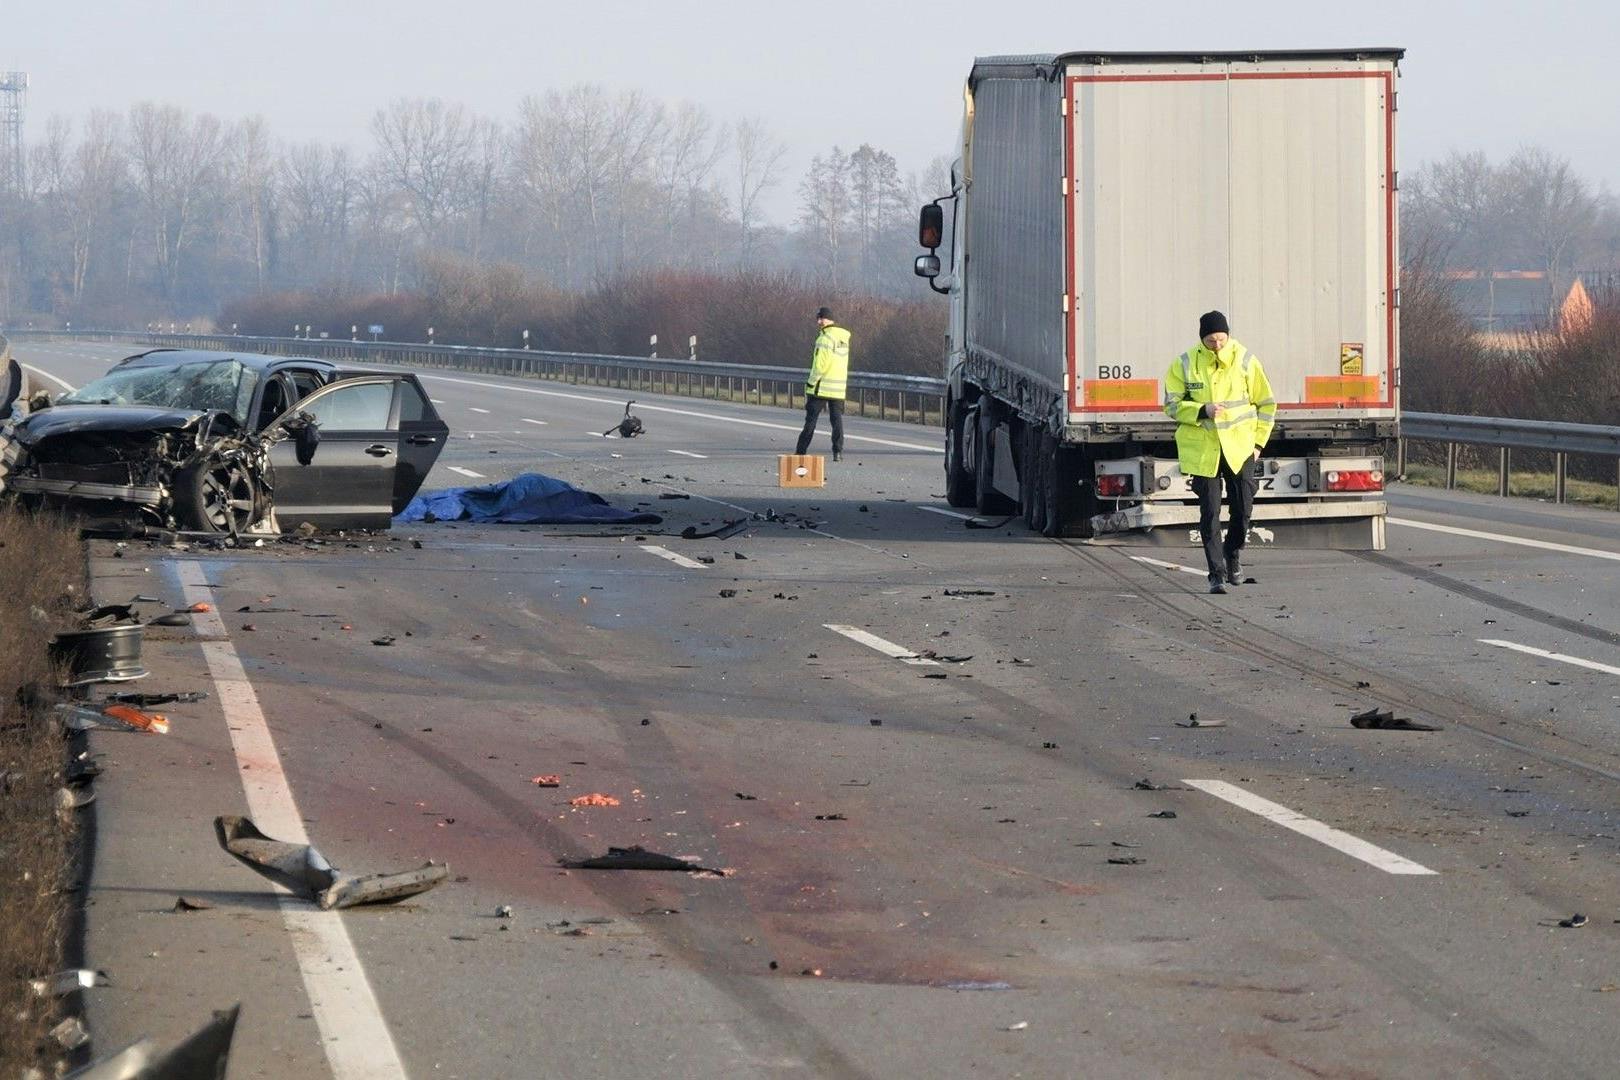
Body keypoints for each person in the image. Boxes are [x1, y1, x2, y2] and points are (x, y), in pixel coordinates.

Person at [1163, 310, 1276, 594]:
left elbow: (1266, 405)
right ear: (1202, 339)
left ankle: (1232, 553)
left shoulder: (1245, 360)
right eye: (1211, 341)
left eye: (1222, 339)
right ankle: (1216, 574)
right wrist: (1202, 410)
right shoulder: (1185, 363)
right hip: (1204, 453)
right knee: (1210, 513)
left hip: (1239, 450)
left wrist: (1259, 444)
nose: (1217, 346)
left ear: (1228, 335)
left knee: (1243, 511)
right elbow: (1171, 405)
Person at [795, 306, 850, 461]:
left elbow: (820, 365)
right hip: (838, 388)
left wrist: (811, 383)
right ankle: (837, 452)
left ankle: (800, 452)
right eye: (818, 318)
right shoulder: (843, 339)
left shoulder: (824, 339)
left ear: (828, 319)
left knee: (810, 421)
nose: (819, 322)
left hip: (821, 387)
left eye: (821, 318)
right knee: (836, 420)